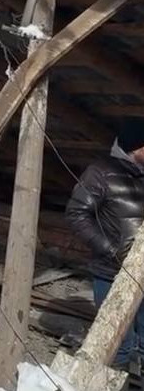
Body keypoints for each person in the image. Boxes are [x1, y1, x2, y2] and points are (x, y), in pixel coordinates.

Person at [66, 118, 144, 368]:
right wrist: (112, 250)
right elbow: (76, 214)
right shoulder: (100, 172)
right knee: (116, 343)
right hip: (111, 273)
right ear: (135, 148)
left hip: (142, 273)